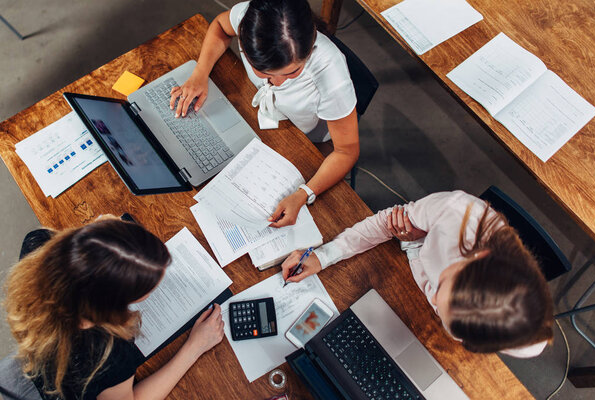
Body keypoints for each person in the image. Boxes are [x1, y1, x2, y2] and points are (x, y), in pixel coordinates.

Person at [282, 190, 554, 357]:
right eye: (443, 282)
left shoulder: (527, 343)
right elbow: (386, 222)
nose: (432, 298)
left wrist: (413, 244)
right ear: (480, 256)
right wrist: (324, 255)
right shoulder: (457, 212)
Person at [170, 0, 359, 228]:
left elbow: (346, 151)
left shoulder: (331, 74)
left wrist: (303, 194)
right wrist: (200, 73)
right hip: (259, 117)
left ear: (309, 51)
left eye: (292, 73)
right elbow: (221, 25)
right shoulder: (249, 19)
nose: (276, 83)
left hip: (308, 140)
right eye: (263, 72)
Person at [4, 217, 225, 400]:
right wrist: (194, 348)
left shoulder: (38, 245)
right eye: (148, 287)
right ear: (111, 305)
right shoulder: (108, 353)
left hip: (34, 359)